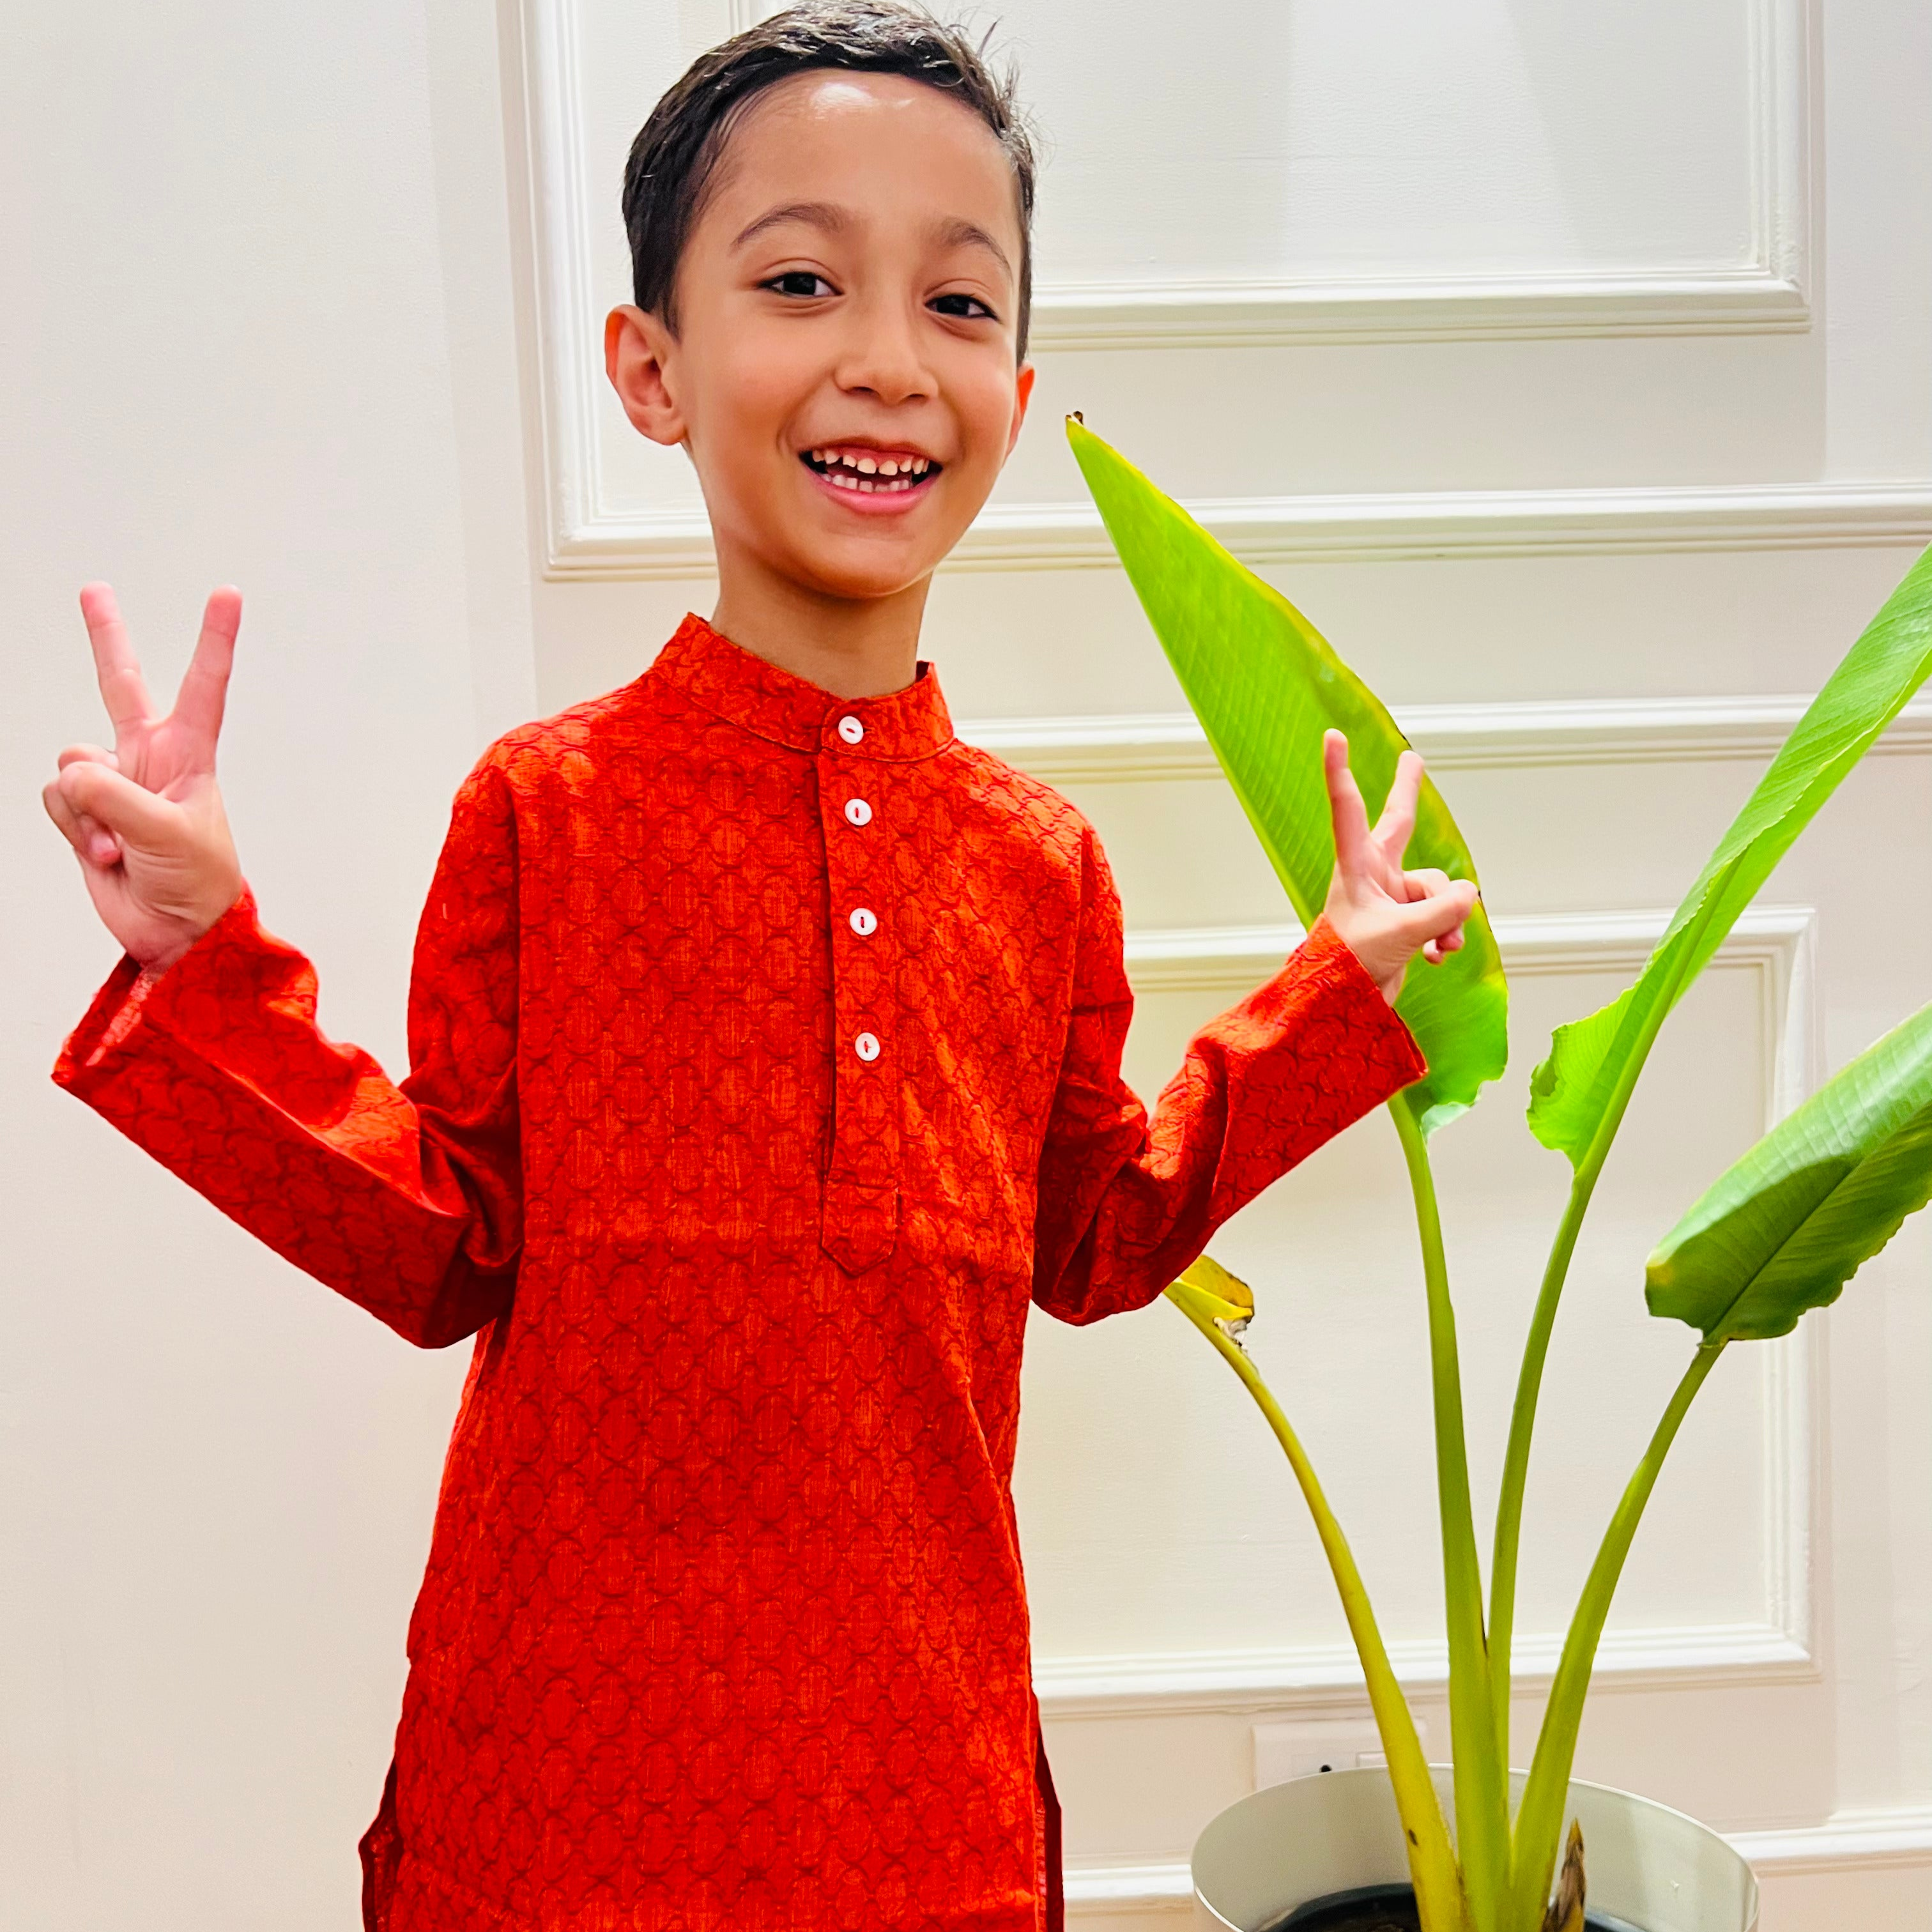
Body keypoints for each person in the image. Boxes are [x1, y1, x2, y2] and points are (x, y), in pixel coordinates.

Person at [40, 5, 1477, 1928]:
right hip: (558, 1787)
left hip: (920, 1790)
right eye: (801, 281)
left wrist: (1337, 1000)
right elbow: (440, 1241)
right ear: (652, 367)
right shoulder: (542, 809)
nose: (887, 361)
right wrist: (208, 965)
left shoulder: (1041, 867)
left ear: (1021, 393)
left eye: (960, 307)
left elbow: (1097, 1239)